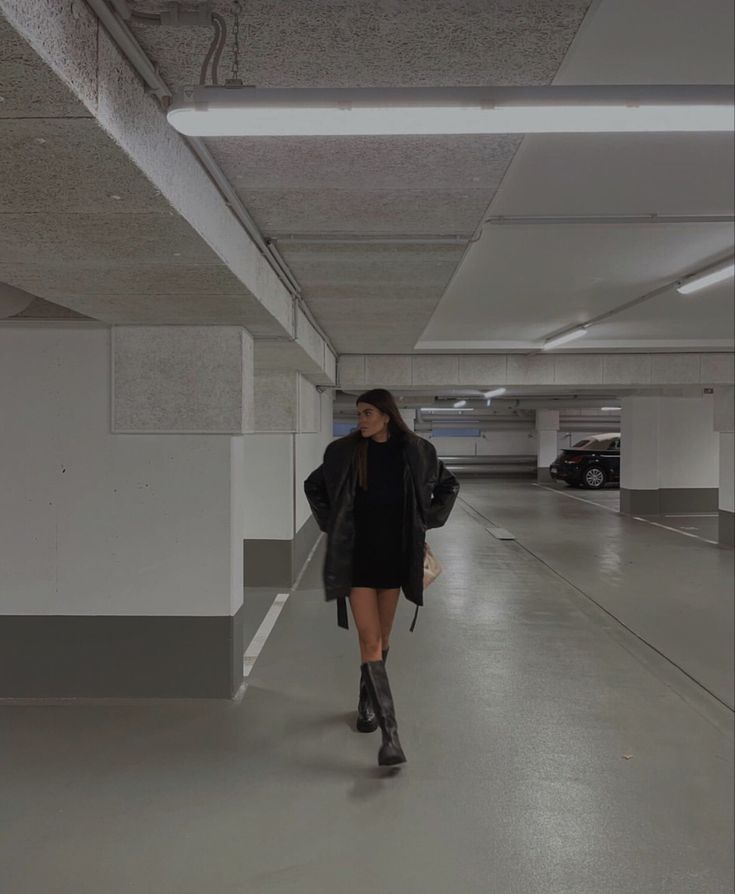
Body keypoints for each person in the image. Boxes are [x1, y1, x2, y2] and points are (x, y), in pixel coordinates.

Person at [304, 389, 460, 767]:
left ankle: (366, 700)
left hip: (395, 559)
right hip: (358, 559)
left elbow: (448, 486)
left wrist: (426, 522)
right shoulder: (343, 453)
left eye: (368, 412)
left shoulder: (418, 452)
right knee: (369, 639)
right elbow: (314, 487)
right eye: (358, 413)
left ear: (387, 414)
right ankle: (391, 735)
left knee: (384, 638)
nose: (361, 419)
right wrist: (335, 526)